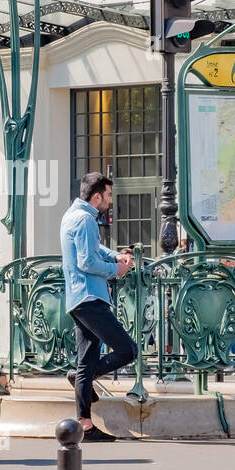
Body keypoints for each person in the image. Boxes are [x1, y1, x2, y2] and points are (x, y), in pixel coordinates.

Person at [60, 172, 138, 442]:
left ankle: (85, 424)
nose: (110, 201)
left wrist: (115, 255)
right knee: (128, 349)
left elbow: (95, 249)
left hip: (78, 298)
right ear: (96, 197)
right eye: (108, 195)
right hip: (90, 298)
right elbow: (87, 262)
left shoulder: (72, 215)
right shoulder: (86, 220)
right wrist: (117, 269)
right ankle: (83, 377)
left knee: (86, 360)